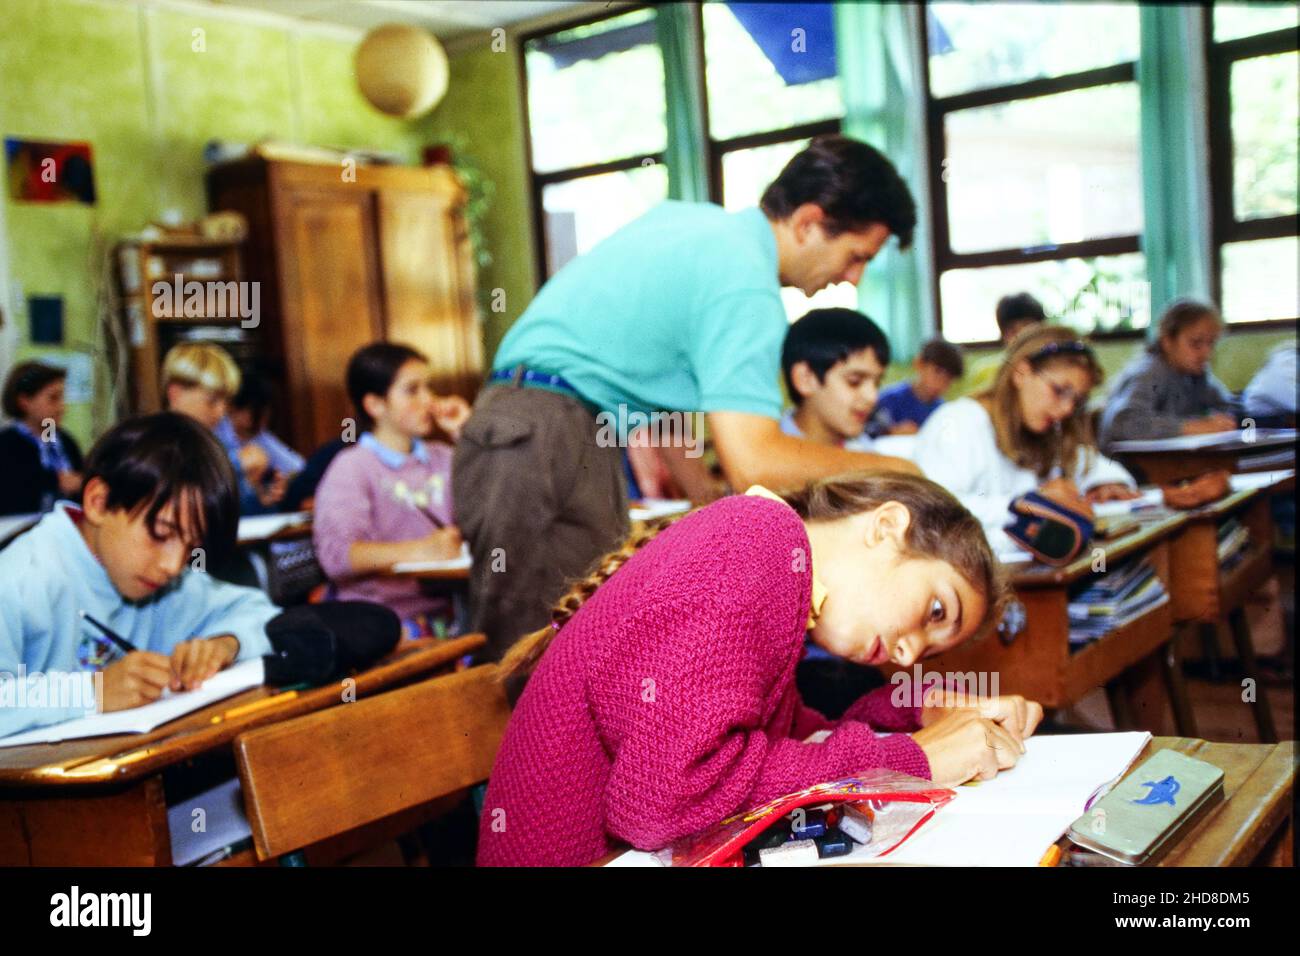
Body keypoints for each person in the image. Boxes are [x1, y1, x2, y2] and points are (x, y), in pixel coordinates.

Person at [454, 135, 922, 661]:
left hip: (559, 422)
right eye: (856, 256)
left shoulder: (698, 226)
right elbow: (753, 462)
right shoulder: (746, 283)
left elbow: (667, 395)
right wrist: (897, 470)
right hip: (543, 427)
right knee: (529, 650)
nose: (851, 277)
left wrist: (707, 507)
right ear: (809, 222)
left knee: (587, 640)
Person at [477, 473, 1042, 866]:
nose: (907, 655)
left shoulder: (779, 573)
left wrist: (921, 711)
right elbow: (664, 799)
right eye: (934, 611)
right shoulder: (755, 541)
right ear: (886, 526)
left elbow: (797, 741)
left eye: (929, 653)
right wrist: (915, 759)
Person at [0, 413, 276, 738]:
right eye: (161, 534)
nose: (173, 566)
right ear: (98, 503)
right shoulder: (20, 579)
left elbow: (261, 614)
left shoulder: (166, 583)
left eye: (190, 547)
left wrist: (225, 644)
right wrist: (93, 692)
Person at [915, 325, 1139, 550]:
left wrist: (1107, 483)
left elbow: (1089, 463)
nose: (1066, 410)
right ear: (1021, 372)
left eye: (1076, 401)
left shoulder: (1045, 428)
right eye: (1059, 390)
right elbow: (936, 510)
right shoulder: (958, 422)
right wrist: (1032, 504)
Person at [312, 344, 466, 639]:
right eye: (412, 390)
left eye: (429, 387)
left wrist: (464, 434)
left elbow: (492, 511)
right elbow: (338, 556)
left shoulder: (443, 457)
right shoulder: (352, 467)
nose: (429, 400)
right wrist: (420, 551)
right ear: (375, 405)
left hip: (452, 612)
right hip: (386, 621)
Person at [1098, 299, 1240, 451]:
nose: (1207, 353)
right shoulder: (1150, 373)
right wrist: (1191, 427)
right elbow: (1123, 423)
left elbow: (1227, 406)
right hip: (1132, 468)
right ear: (1167, 341)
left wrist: (1222, 422)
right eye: (1196, 343)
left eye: (1211, 343)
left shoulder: (1196, 375)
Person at [779, 307, 890, 451]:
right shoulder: (768, 454)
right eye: (854, 382)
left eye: (877, 383)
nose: (872, 397)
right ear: (805, 379)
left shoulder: (863, 451)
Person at [0, 361, 83, 516]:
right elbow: (13, 489)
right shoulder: (6, 444)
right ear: (24, 401)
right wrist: (56, 482)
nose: (62, 407)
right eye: (53, 398)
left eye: (62, 398)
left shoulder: (65, 442)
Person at [959, 292, 1047, 397]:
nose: (1021, 337)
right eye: (1013, 331)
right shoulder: (986, 371)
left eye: (1028, 328)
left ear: (1042, 329)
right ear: (1003, 335)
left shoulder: (1052, 367)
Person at [871, 338, 965, 435]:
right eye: (937, 372)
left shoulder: (943, 411)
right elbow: (867, 433)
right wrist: (890, 432)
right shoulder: (887, 400)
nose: (940, 383)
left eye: (948, 379)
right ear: (919, 363)